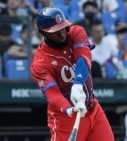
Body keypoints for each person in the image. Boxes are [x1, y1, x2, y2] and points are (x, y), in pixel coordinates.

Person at [31, 7, 115, 141]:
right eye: (55, 31)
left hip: (93, 108)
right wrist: (69, 109)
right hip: (66, 118)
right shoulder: (40, 62)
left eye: (63, 27)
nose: (62, 32)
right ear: (43, 32)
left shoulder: (76, 32)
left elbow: (83, 58)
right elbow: (52, 93)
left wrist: (78, 84)